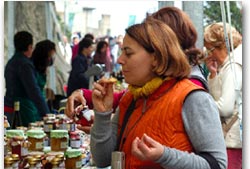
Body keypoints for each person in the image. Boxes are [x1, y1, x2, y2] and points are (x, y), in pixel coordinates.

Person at [89, 18, 227, 169]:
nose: (120, 60)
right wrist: (102, 114)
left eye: (128, 53)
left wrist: (164, 155)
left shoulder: (192, 98)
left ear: (156, 58)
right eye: (121, 52)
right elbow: (102, 159)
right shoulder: (131, 97)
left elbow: (217, 166)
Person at [65, 6, 209, 131]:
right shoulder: (160, 80)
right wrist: (84, 95)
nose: (121, 60)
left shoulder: (191, 90)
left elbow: (213, 160)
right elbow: (127, 99)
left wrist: (163, 155)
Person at [204, 22, 242, 169]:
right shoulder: (231, 64)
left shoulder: (234, 67)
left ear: (222, 47)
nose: (209, 54)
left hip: (233, 139)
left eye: (210, 49)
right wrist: (213, 75)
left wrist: (203, 105)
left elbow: (225, 108)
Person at [4, 31, 50, 127]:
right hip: (23, 109)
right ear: (29, 47)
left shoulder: (11, 62)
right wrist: (47, 113)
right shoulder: (25, 65)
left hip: (8, 105)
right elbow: (33, 90)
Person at [32, 39, 56, 112]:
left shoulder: (42, 69)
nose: (50, 59)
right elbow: (34, 91)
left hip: (40, 102)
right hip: (33, 105)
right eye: (49, 57)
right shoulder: (31, 69)